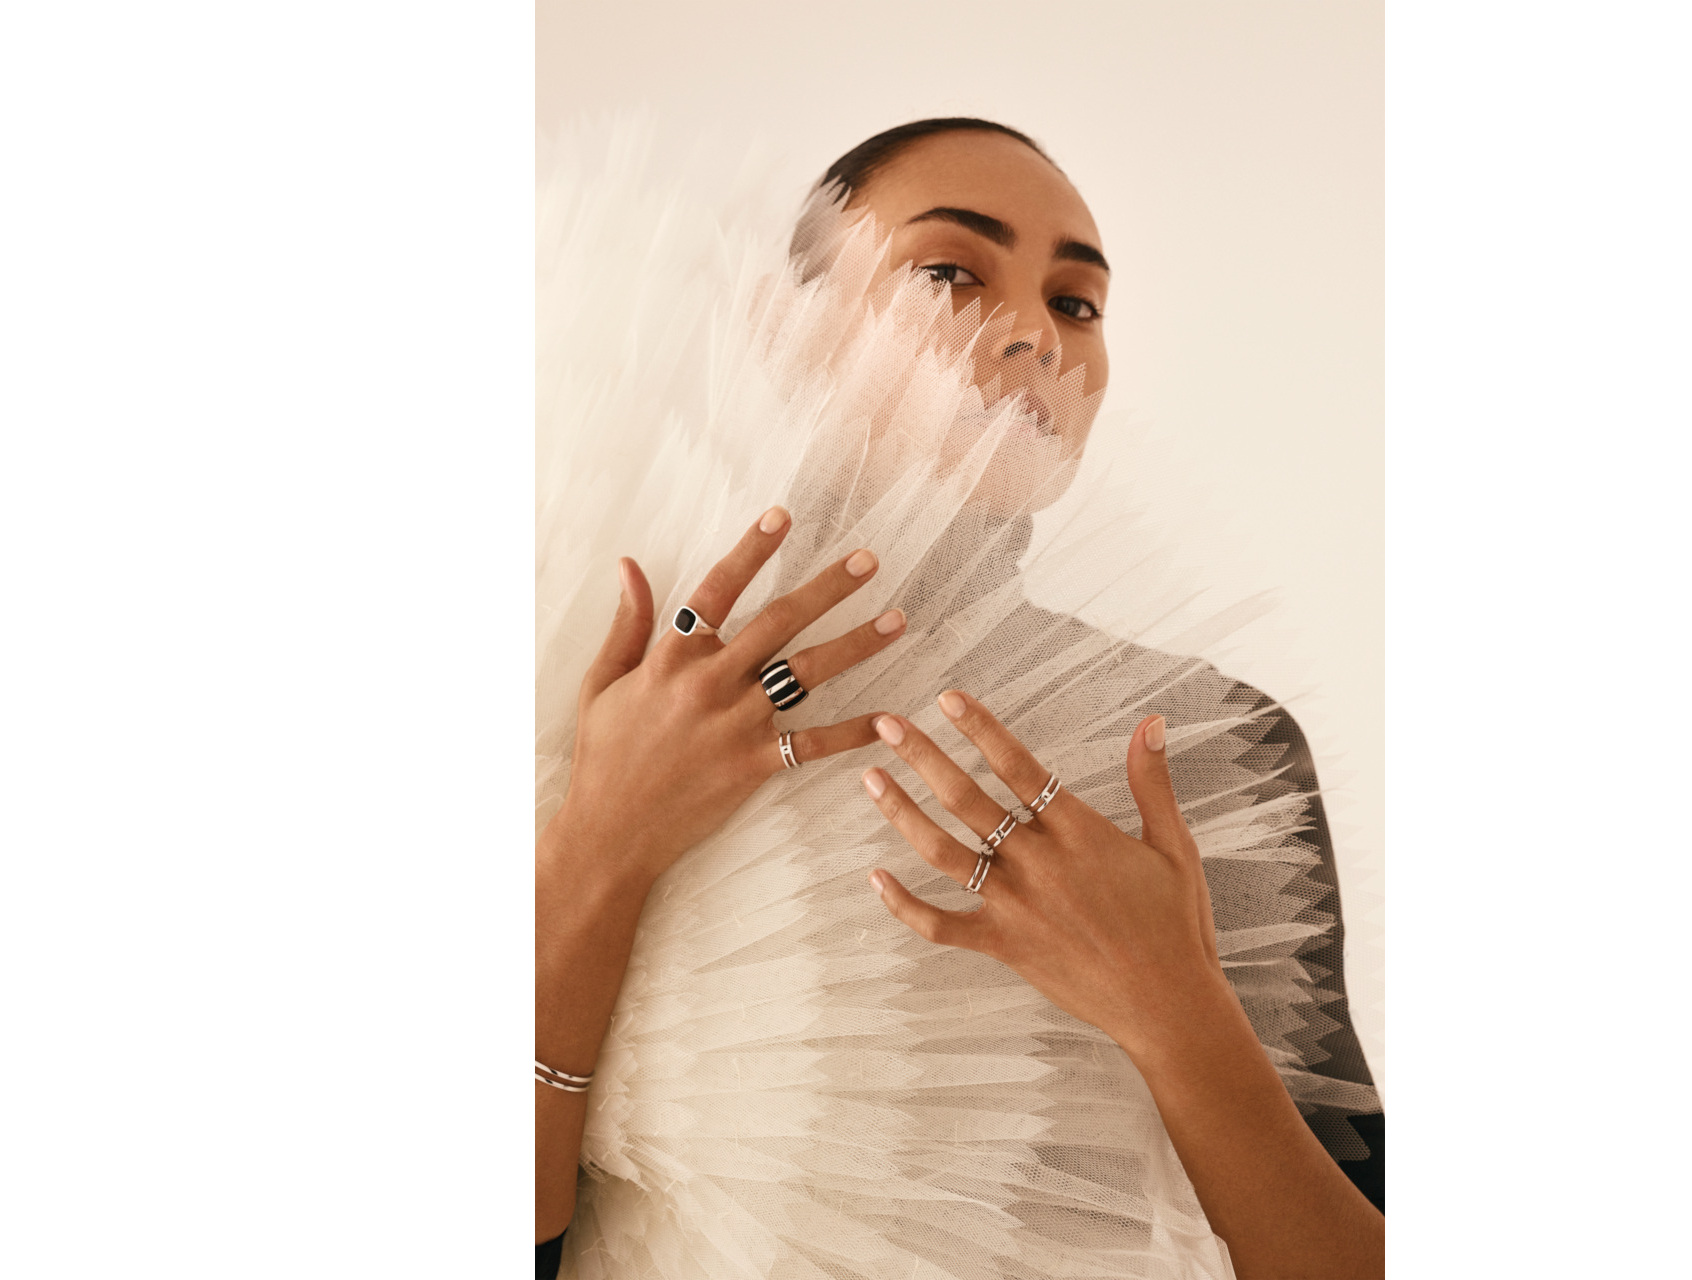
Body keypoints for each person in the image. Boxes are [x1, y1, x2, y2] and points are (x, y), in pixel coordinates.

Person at [537, 118, 1383, 1280]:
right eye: (950, 272)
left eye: (1078, 303)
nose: (1035, 332)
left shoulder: (1206, 746)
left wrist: (1176, 1013)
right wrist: (601, 845)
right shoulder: (577, 655)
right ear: (782, 326)